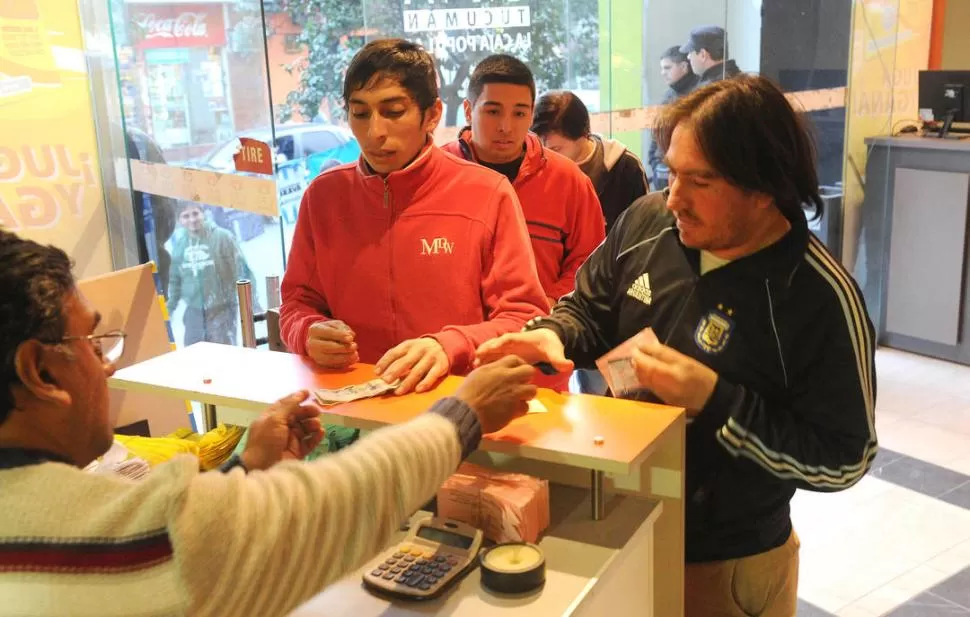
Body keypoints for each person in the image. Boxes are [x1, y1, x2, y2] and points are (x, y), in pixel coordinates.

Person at [477, 75, 877, 617]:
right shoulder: (648, 219)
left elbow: (844, 459)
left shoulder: (816, 296)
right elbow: (588, 304)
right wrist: (552, 333)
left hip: (728, 558)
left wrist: (717, 401)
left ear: (763, 188)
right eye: (671, 173)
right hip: (614, 513)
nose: (675, 199)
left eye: (701, 181)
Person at [0, 228, 539, 616]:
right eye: (93, 344)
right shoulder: (115, 539)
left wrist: (246, 468)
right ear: (40, 372)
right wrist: (462, 416)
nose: (106, 364)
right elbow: (343, 500)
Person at [280, 40, 548, 400]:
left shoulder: (487, 193)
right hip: (352, 409)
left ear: (432, 114)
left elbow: (523, 316)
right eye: (360, 114)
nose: (375, 132)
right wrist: (307, 332)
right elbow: (296, 304)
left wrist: (450, 344)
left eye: (393, 112)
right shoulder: (324, 197)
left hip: (457, 409)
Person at [441, 55, 606, 311]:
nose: (506, 126)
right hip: (451, 337)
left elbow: (590, 259)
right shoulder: (438, 174)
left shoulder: (568, 180)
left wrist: (548, 304)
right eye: (493, 111)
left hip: (538, 331)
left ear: (531, 115)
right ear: (467, 111)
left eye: (519, 113)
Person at [531, 90, 648, 234]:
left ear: (584, 134)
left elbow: (642, 233)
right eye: (540, 147)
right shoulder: (534, 167)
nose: (547, 156)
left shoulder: (625, 168)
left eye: (556, 149)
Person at [167, 200, 257, 346]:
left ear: (203, 214)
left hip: (222, 308)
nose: (192, 220)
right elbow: (175, 281)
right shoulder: (180, 245)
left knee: (223, 355)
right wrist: (169, 309)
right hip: (194, 311)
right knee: (193, 356)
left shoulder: (222, 237)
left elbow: (242, 270)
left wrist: (252, 303)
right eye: (186, 216)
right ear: (179, 220)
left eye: (195, 213)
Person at [648, 46, 699, 190]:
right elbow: (657, 131)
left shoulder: (697, 94)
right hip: (663, 169)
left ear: (684, 66)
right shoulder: (669, 94)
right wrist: (654, 161)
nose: (663, 73)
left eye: (667, 68)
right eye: (662, 68)